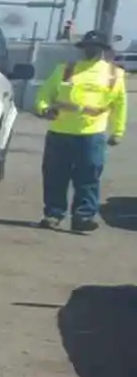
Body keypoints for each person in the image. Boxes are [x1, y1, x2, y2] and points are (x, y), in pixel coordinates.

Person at [34, 29, 127, 232]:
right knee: (55, 175)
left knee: (88, 176)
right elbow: (44, 94)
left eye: (95, 47)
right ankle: (53, 214)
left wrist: (118, 131)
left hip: (92, 134)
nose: (90, 50)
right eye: (87, 47)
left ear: (103, 50)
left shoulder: (114, 74)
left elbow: (120, 105)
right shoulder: (66, 69)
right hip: (60, 132)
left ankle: (83, 217)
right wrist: (44, 109)